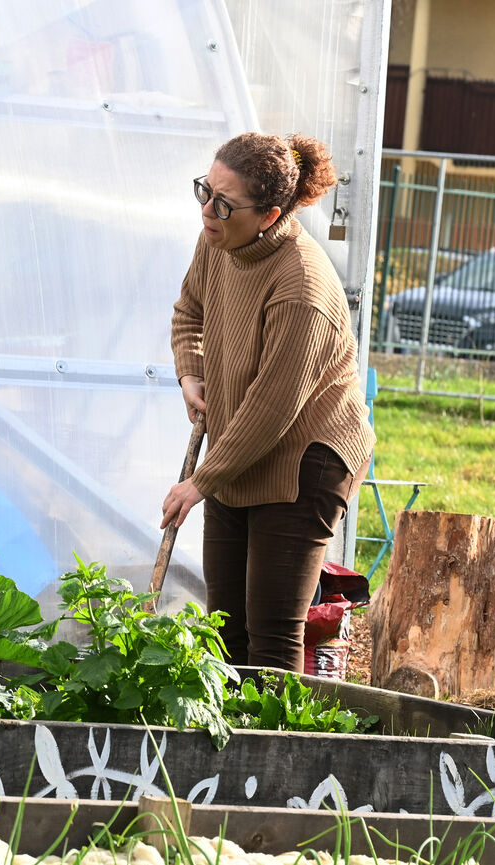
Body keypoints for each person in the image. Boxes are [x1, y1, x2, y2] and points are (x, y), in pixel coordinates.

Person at [160, 131, 376, 673]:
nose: (208, 210)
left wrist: (200, 483)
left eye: (224, 203)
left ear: (270, 213)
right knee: (223, 629)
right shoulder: (218, 241)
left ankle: (278, 754)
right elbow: (190, 313)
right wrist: (192, 373)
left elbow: (272, 410)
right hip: (240, 447)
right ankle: (224, 754)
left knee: (273, 635)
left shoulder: (301, 287)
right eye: (204, 191)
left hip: (306, 462)